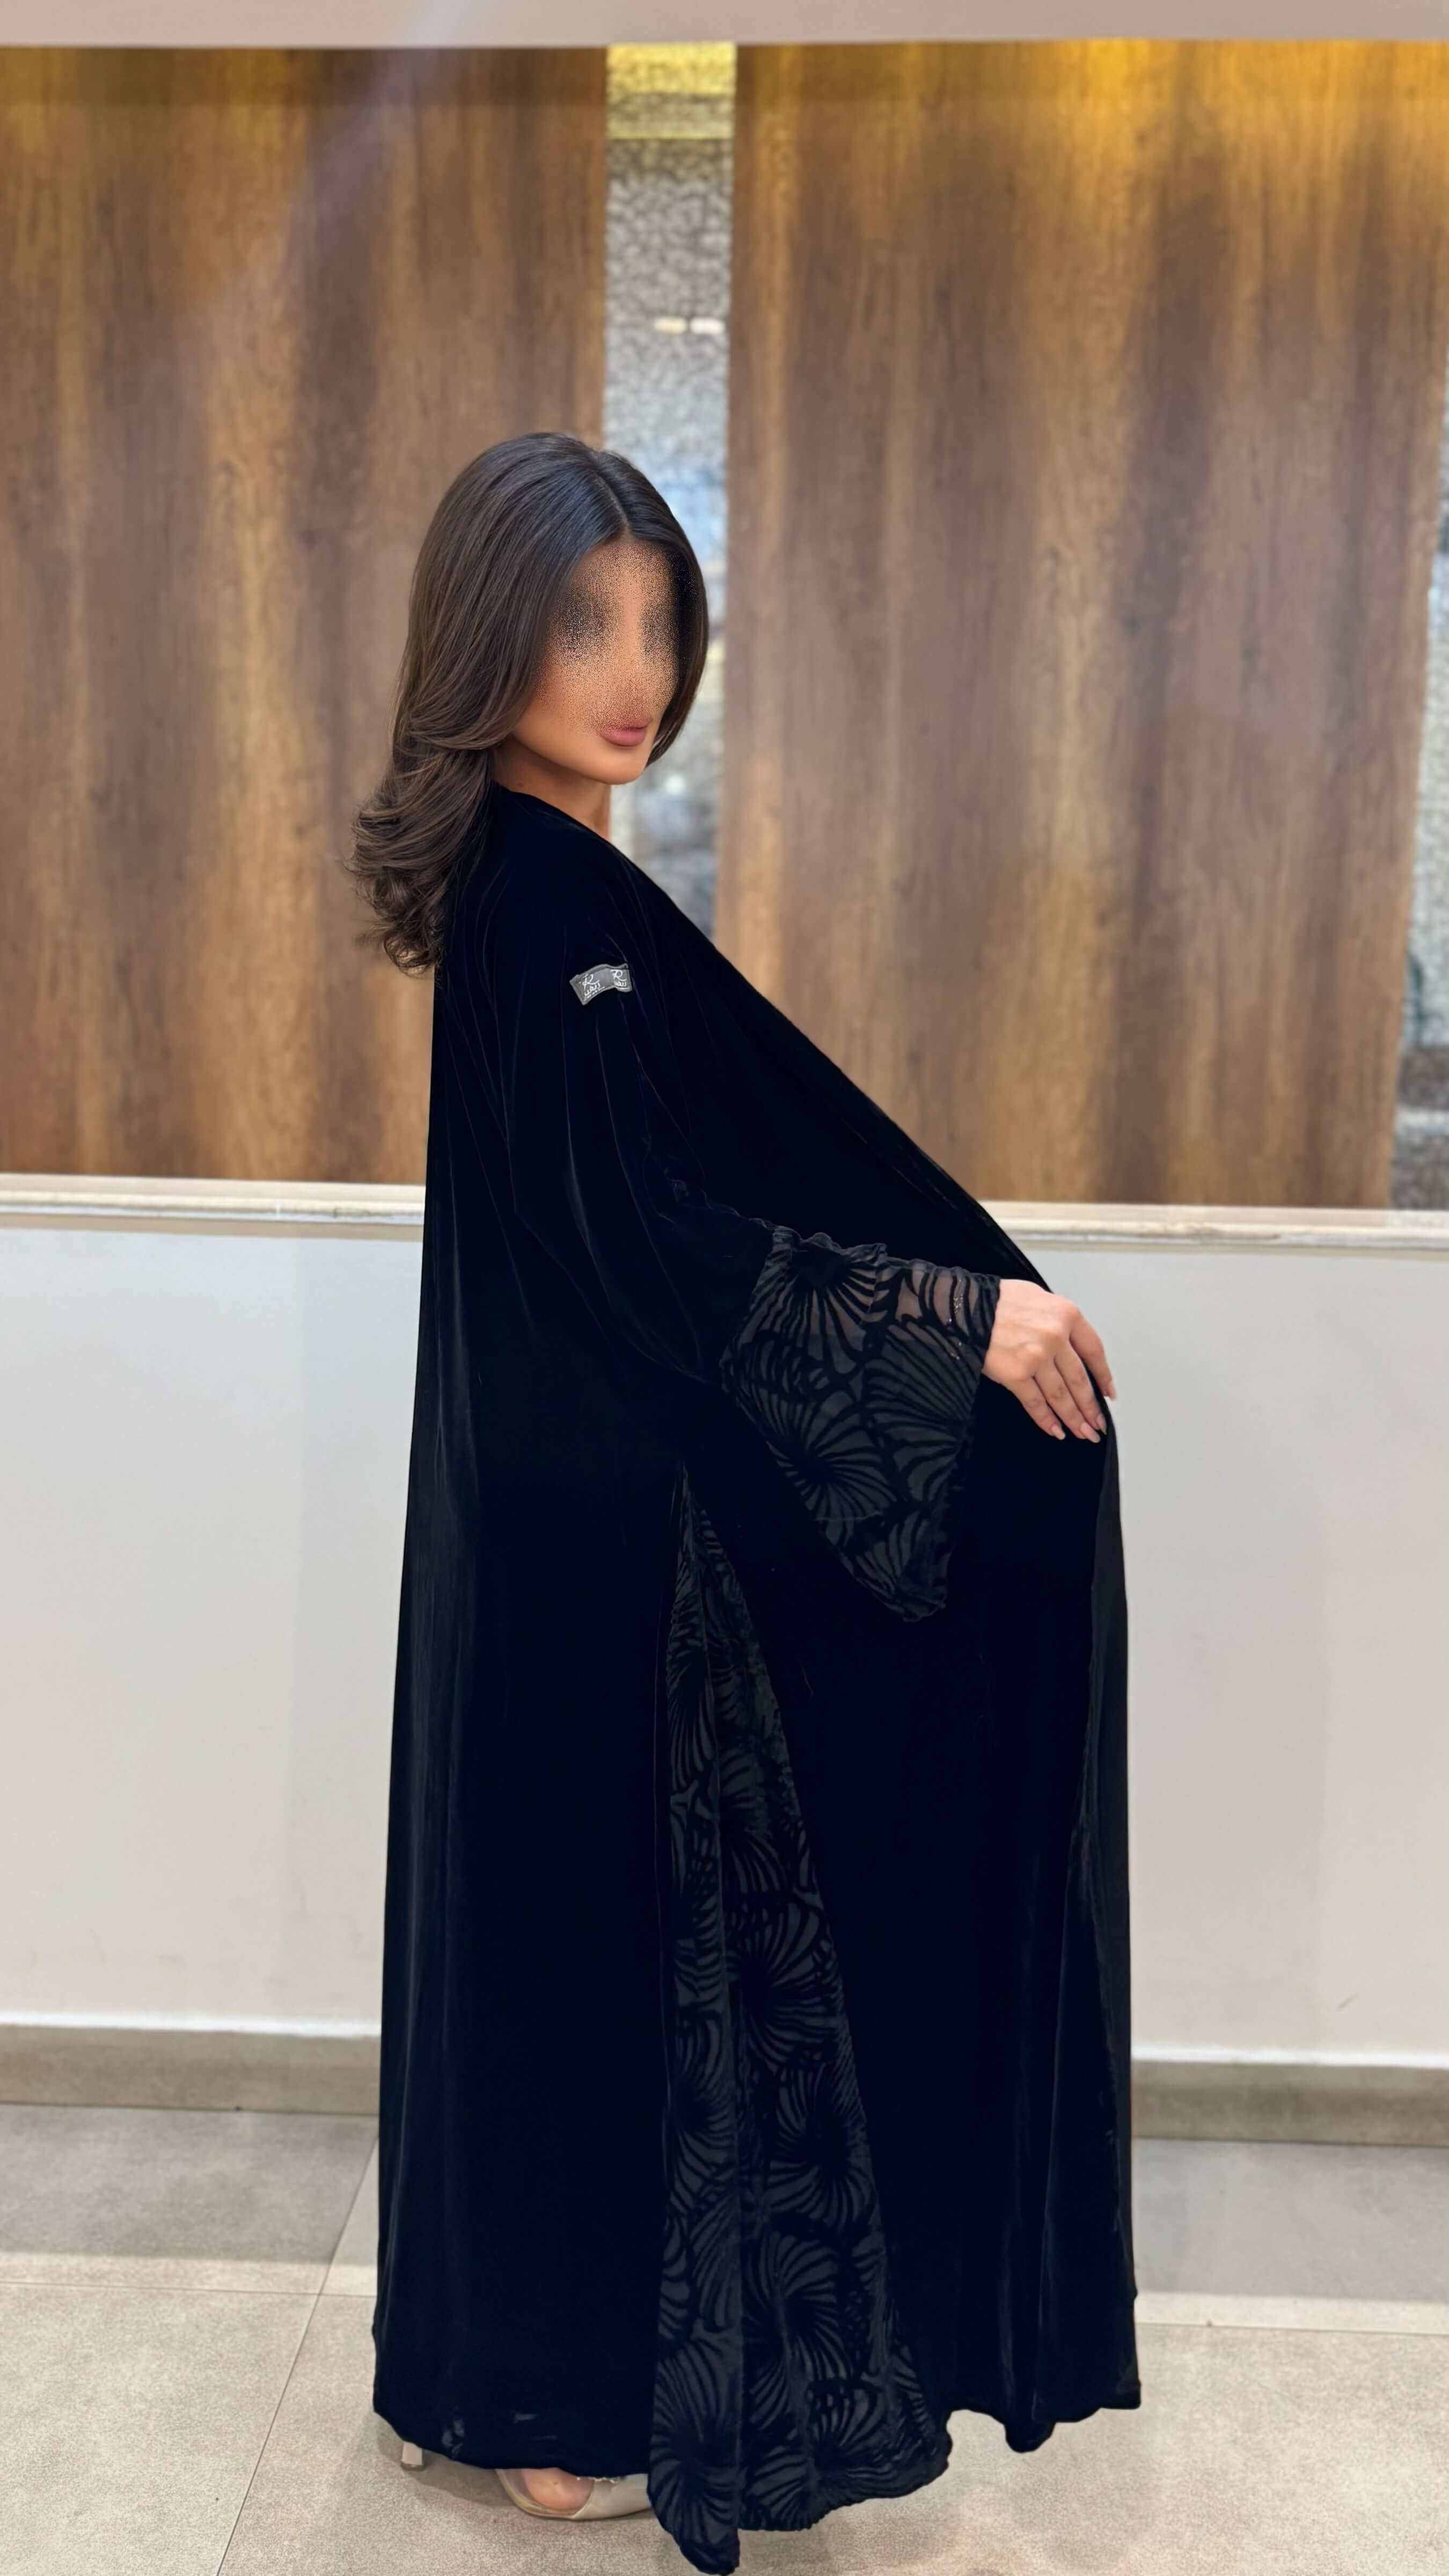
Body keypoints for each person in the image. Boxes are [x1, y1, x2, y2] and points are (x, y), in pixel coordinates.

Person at [349, 430, 1139, 2576]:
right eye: (580, 622)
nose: (631, 672)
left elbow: (652, 1215)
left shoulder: (546, 883)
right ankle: (546, 2414)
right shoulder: (545, 899)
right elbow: (646, 1240)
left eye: (657, 625)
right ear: (485, 636)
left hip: (563, 1526)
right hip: (589, 1549)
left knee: (562, 1942)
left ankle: (498, 2377)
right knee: (587, 1961)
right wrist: (952, 1322)